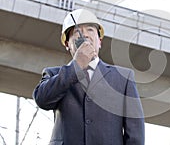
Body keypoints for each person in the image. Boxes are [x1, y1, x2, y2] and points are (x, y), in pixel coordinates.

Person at [33, 9, 145, 145]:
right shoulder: (54, 75)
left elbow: (135, 134)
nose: (84, 34)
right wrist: (76, 66)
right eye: (76, 31)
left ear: (100, 41)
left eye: (90, 30)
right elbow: (42, 100)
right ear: (67, 44)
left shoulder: (123, 78)